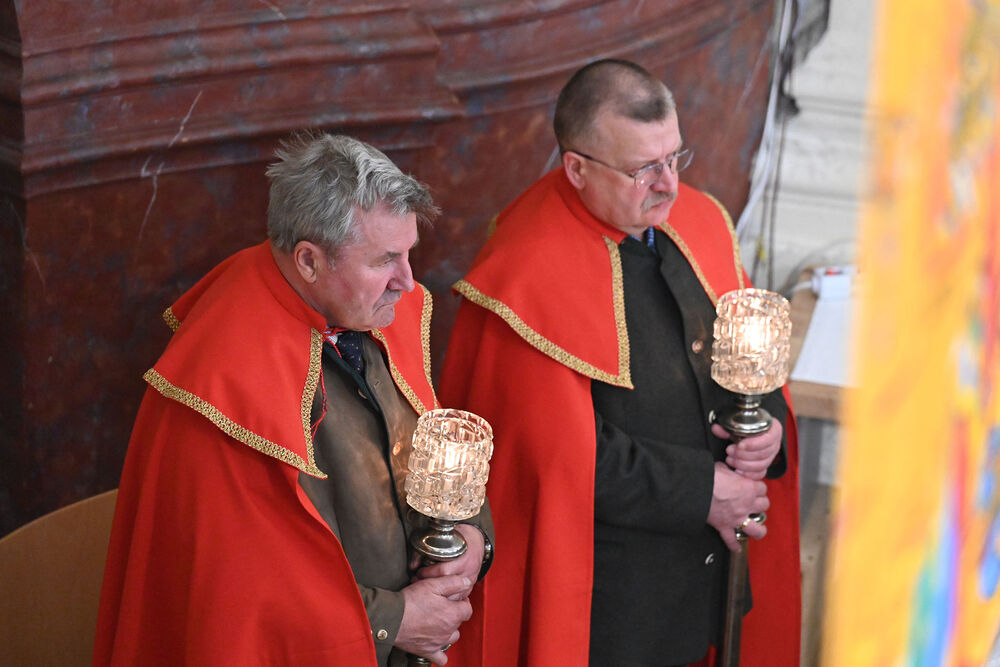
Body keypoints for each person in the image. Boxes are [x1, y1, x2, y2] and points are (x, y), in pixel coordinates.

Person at [439, 59, 799, 666]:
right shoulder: (527, 271)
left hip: (712, 576)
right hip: (614, 609)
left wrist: (768, 428)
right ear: (577, 168)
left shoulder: (699, 220)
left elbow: (748, 354)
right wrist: (703, 491)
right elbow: (558, 455)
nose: (669, 185)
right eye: (643, 169)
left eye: (674, 158)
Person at [94, 133, 493, 666]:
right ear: (308, 260)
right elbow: (245, 588)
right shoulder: (220, 381)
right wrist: (393, 620)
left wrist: (471, 538)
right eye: (384, 260)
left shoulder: (375, 310)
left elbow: (427, 450)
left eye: (408, 253)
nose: (407, 281)